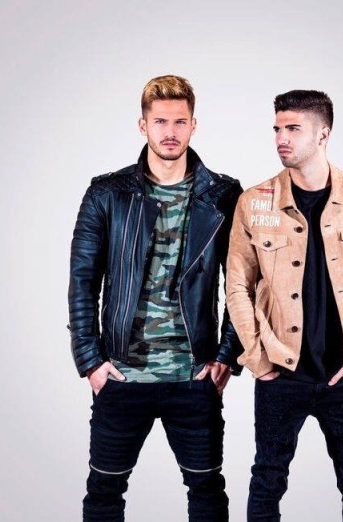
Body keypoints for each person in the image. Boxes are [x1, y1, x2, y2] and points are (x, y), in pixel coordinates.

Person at [68, 74, 243, 521]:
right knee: (103, 495)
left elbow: (244, 284)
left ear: (193, 125)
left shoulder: (223, 195)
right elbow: (82, 281)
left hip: (194, 375)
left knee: (207, 492)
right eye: (160, 121)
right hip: (122, 375)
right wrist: (90, 361)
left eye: (180, 121)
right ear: (142, 125)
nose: (170, 132)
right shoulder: (107, 193)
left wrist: (226, 355)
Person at [226, 89, 343, 521]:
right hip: (280, 372)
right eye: (277, 129)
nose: (281, 138)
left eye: (293, 128)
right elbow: (236, 287)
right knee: (267, 479)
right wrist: (259, 361)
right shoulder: (255, 201)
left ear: (323, 134)